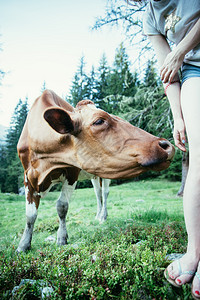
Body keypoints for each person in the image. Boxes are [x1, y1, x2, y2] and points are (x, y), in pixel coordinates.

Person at [138, 0, 200, 298]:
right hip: (195, 73)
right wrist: (177, 116)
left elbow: (174, 57)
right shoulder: (151, 17)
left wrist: (179, 50)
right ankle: (195, 251)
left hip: (186, 58)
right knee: (199, 157)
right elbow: (169, 71)